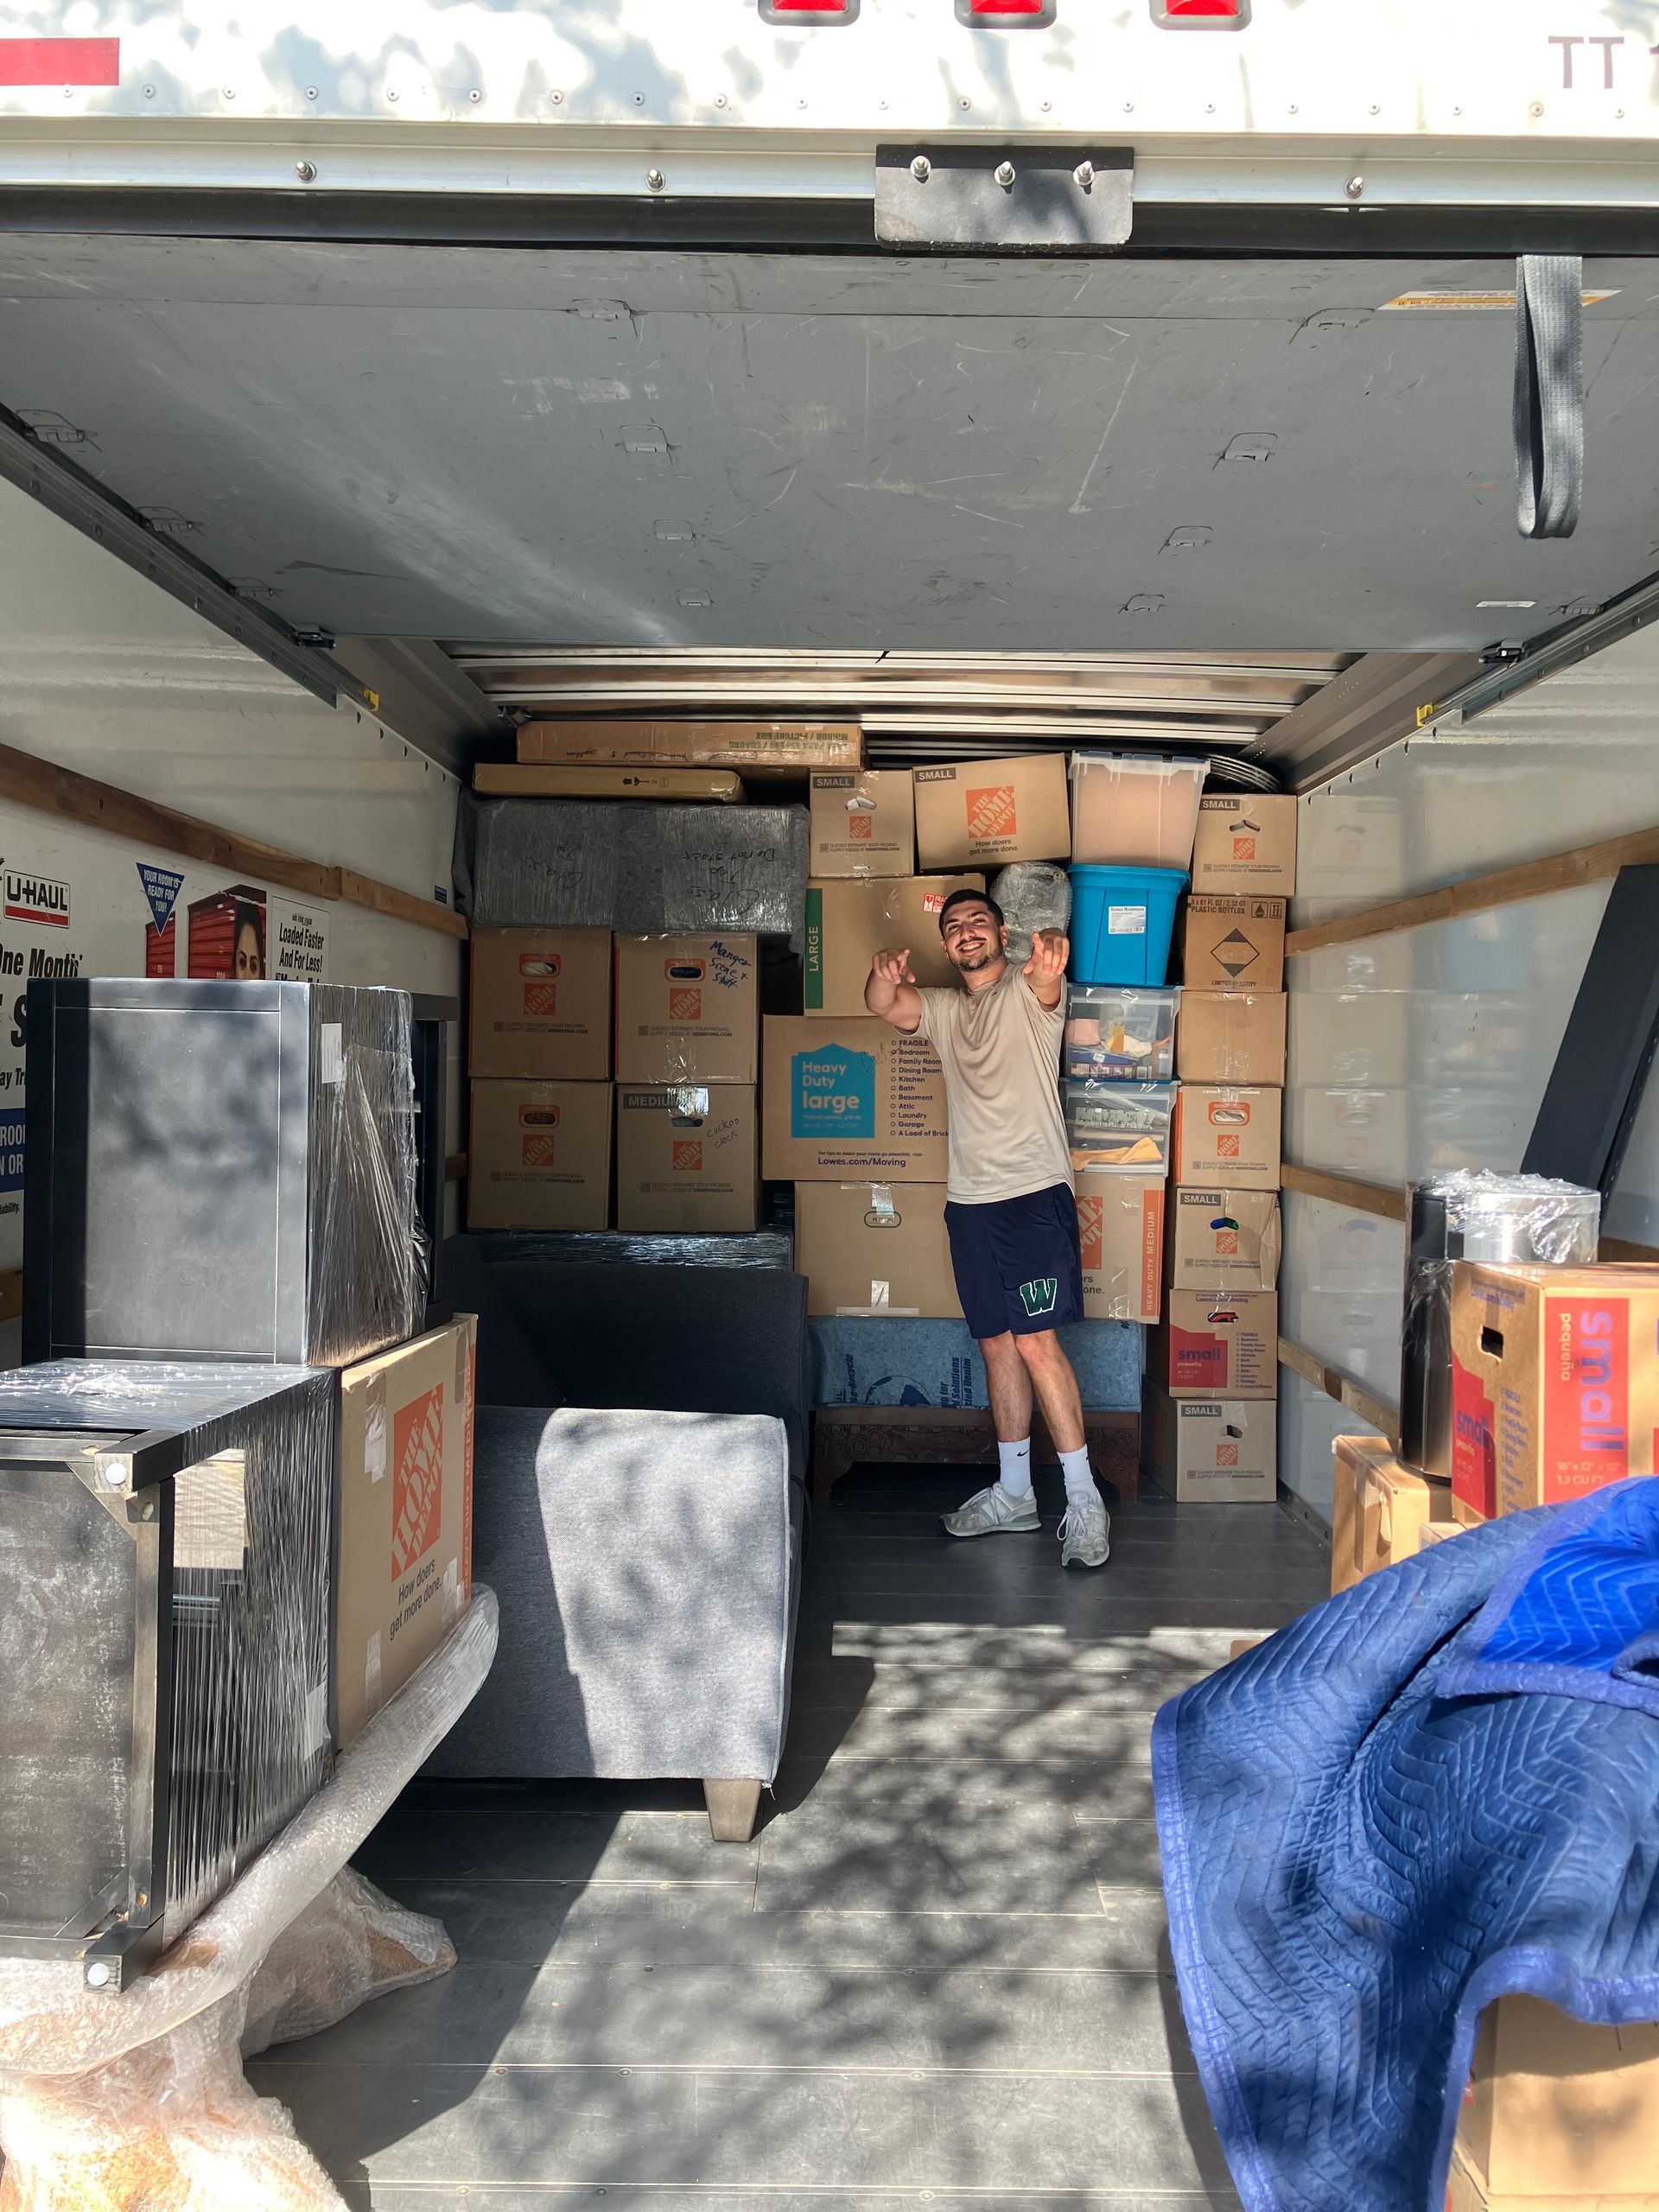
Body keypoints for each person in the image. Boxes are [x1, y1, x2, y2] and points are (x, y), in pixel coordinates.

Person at [864, 888, 1109, 1570]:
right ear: (945, 947)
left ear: (1002, 933)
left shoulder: (1028, 994)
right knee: (997, 1345)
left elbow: (1049, 975)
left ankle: (1086, 1500)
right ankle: (1015, 1494)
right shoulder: (944, 1010)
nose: (966, 931)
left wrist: (1051, 955)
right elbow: (884, 1005)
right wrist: (881, 974)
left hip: (1031, 1197)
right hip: (969, 1202)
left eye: (978, 921)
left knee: (1035, 1344)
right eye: (954, 926)